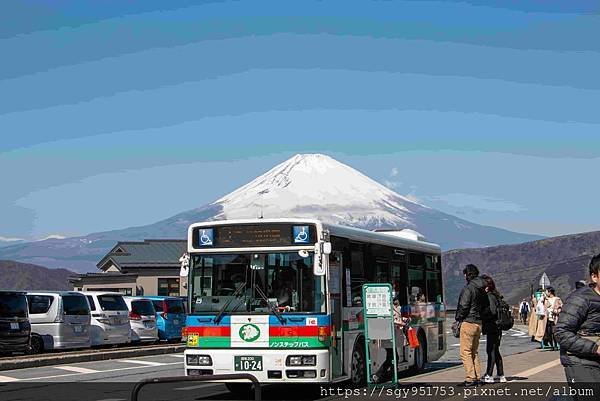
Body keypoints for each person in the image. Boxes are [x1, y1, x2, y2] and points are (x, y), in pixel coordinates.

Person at [555, 254, 600, 401]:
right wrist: (595, 348)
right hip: (581, 361)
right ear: (595, 277)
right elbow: (561, 332)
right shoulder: (580, 299)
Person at [455, 264, 490, 387]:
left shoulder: (469, 288)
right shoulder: (482, 289)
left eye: (465, 274)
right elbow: (486, 306)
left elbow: (463, 306)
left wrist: (458, 318)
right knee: (474, 351)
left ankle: (470, 378)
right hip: (478, 323)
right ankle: (477, 376)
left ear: (467, 274)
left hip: (468, 322)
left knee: (465, 351)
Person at [480, 275, 506, 383]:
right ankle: (501, 374)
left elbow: (492, 311)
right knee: (495, 350)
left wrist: (483, 315)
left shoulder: (490, 296)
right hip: (498, 326)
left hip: (492, 326)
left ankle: (489, 374)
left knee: (490, 350)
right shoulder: (497, 295)